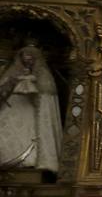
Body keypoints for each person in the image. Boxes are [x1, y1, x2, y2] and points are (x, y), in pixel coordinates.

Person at [0, 42, 62, 174]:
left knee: (28, 132)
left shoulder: (42, 73)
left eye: (30, 55)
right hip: (14, 105)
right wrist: (10, 83)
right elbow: (3, 86)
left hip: (30, 107)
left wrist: (33, 83)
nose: (27, 58)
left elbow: (46, 93)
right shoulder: (14, 71)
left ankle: (29, 160)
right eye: (24, 55)